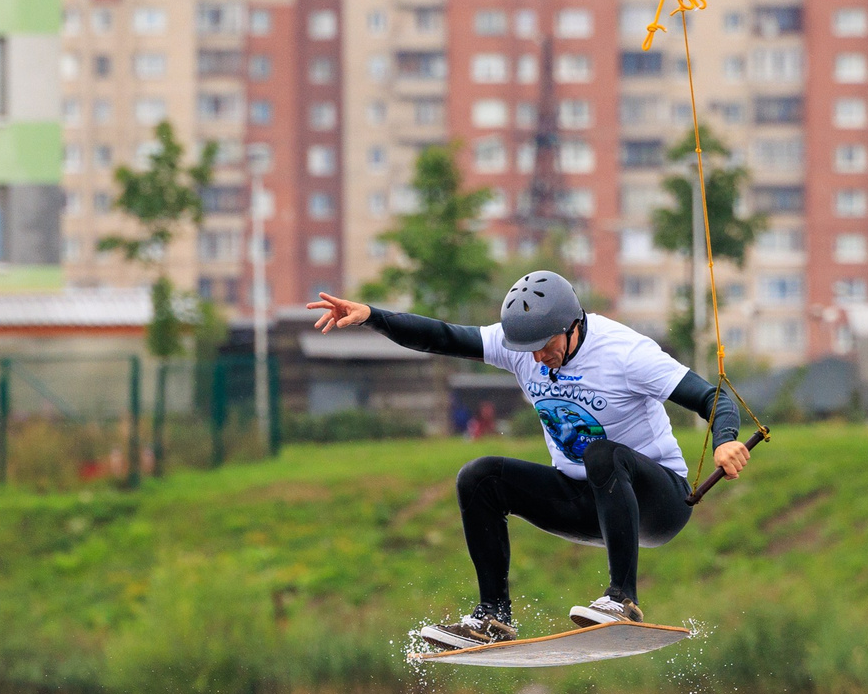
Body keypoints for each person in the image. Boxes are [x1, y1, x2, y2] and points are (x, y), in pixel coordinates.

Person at [307, 271, 748, 650]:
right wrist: (373, 316)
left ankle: (622, 600)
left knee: (602, 454)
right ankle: (493, 619)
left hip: (658, 502)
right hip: (585, 501)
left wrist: (726, 440)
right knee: (480, 477)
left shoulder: (626, 353)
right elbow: (442, 336)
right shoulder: (518, 345)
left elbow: (713, 397)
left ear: (573, 326)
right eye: (528, 347)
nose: (537, 357)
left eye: (546, 344)